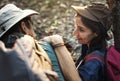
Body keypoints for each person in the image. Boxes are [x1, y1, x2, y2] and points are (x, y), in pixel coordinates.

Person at [0, 4, 81, 81]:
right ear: (24, 27)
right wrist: (58, 43)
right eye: (32, 26)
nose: (34, 34)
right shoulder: (46, 47)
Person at [43, 2, 112, 81]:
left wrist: (59, 45)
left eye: (81, 30)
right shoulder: (88, 46)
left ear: (96, 33)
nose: (74, 33)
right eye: (75, 27)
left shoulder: (95, 62)